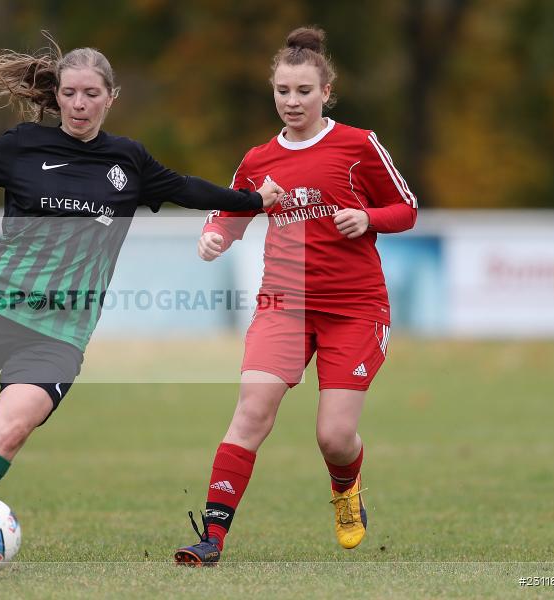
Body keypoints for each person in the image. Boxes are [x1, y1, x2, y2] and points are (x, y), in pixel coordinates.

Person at [0, 36, 283, 574]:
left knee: (9, 431)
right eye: (70, 93)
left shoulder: (129, 160)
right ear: (59, 96)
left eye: (91, 94)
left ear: (110, 97)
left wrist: (256, 202)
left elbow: (188, 188)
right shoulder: (23, 145)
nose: (78, 104)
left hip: (60, 333)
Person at [174, 26, 417, 565]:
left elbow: (406, 209)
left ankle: (345, 490)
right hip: (282, 304)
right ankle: (210, 539)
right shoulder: (259, 158)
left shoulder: (358, 145)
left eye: (303, 91)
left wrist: (368, 216)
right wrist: (215, 234)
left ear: (326, 92)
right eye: (283, 91)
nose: (292, 101)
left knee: (334, 436)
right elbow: (234, 210)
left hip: (354, 309)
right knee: (251, 411)